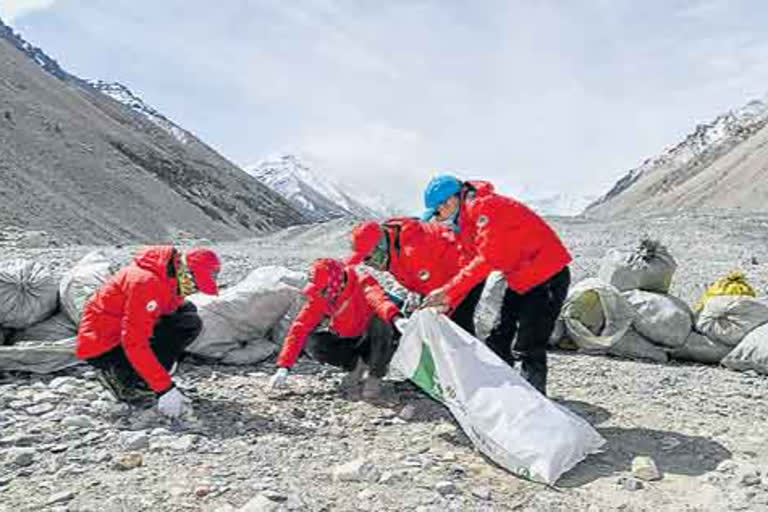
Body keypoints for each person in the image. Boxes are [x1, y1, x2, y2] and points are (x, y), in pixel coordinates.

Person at [420, 175, 571, 396]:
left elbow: (487, 258)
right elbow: (467, 260)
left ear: (449, 202)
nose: (438, 216)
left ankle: (533, 400)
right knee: (500, 336)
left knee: (529, 344)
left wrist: (447, 292)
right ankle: (499, 392)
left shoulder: (485, 208)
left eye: (438, 210)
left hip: (547, 275)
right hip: (522, 278)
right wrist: (448, 297)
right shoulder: (466, 221)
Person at [76, 245, 220, 418]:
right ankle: (125, 381)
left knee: (187, 316)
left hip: (116, 335)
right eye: (196, 285)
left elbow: (168, 307)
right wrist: (164, 388)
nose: (195, 290)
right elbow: (134, 341)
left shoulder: (167, 275)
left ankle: (145, 377)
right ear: (186, 272)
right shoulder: (147, 283)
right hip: (103, 346)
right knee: (184, 324)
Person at [269, 258, 402, 399]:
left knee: (382, 320)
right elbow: (299, 327)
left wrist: (395, 317)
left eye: (323, 289)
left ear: (335, 282)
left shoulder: (361, 281)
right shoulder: (321, 295)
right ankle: (356, 366)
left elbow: (378, 300)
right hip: (350, 339)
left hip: (374, 340)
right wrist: (284, 367)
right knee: (312, 342)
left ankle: (375, 376)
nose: (320, 293)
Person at [346, 218, 485, 336]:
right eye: (364, 261)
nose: (370, 265)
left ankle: (482, 362)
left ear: (380, 247)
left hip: (465, 275)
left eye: (369, 259)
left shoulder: (413, 255)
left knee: (458, 329)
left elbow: (443, 295)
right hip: (442, 277)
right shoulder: (392, 244)